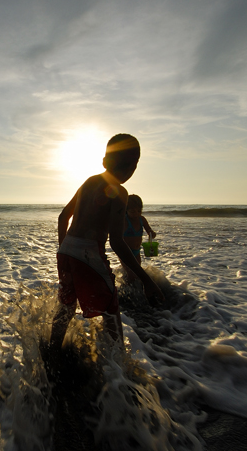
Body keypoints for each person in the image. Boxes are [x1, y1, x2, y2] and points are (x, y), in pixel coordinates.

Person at [49, 134, 165, 356]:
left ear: (104, 160)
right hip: (89, 253)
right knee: (111, 311)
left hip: (66, 252)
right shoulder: (120, 193)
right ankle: (119, 367)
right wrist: (146, 280)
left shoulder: (89, 181)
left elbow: (63, 217)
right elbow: (117, 242)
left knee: (66, 307)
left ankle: (51, 353)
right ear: (134, 166)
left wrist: (65, 250)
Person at [124, 194, 156, 266]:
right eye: (133, 212)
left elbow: (149, 230)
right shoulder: (125, 220)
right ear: (126, 210)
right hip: (125, 252)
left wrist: (152, 234)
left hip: (136, 251)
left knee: (138, 271)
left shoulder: (142, 219)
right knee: (130, 273)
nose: (136, 214)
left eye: (139, 211)